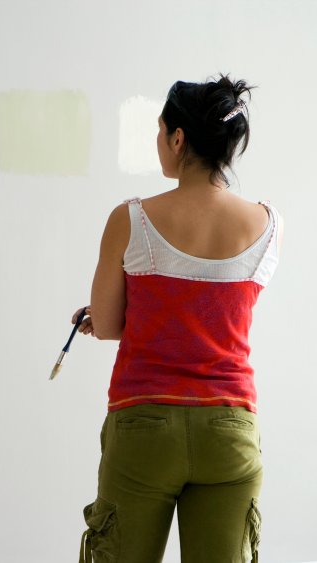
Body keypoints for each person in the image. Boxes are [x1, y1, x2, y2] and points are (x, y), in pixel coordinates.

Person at [73, 75, 284, 563]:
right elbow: (222, 318)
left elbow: (106, 324)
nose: (158, 142)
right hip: (228, 429)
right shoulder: (268, 225)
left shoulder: (132, 219)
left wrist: (106, 316)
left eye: (159, 130)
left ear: (178, 138)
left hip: (143, 426)